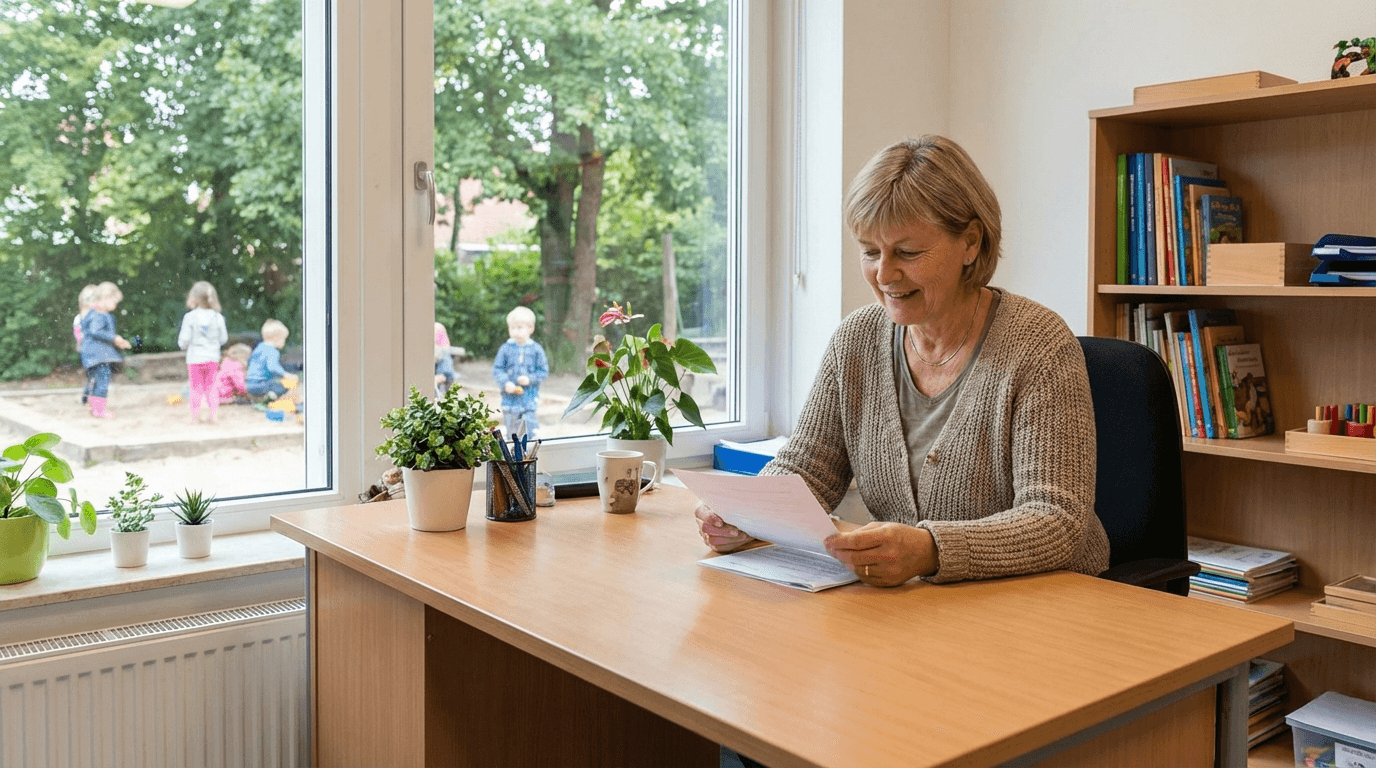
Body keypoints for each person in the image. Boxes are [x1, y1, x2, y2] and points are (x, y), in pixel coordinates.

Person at [696, 135, 1109, 590]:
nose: (884, 274)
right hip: (922, 610)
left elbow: (1057, 522)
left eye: (907, 253)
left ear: (970, 243)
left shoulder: (1038, 346)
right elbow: (808, 469)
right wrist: (744, 514)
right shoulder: (856, 340)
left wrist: (930, 550)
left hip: (1046, 607)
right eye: (870, 251)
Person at [491, 306, 548, 439]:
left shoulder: (536, 349)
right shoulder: (505, 349)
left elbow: (543, 371)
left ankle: (527, 456)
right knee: (512, 434)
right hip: (509, 401)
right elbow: (497, 369)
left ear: (531, 329)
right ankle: (513, 457)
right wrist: (506, 383)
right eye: (512, 327)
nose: (515, 331)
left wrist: (529, 379)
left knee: (529, 431)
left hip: (529, 400)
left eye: (519, 327)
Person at [178, 281, 229, 423]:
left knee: (195, 388)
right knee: (211, 387)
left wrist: (183, 345)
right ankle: (214, 416)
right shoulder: (218, 317)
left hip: (194, 359)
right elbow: (223, 339)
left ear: (194, 298)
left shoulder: (190, 317)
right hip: (212, 358)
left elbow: (184, 339)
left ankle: (195, 417)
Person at [79, 281, 132, 418]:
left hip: (94, 355)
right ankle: (99, 410)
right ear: (104, 299)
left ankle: (93, 405)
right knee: (102, 381)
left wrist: (115, 340)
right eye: (114, 301)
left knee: (96, 380)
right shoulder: (98, 315)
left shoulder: (93, 314)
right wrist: (114, 338)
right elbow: (96, 331)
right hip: (99, 356)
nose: (116, 305)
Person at [246, 319, 296, 400]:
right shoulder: (272, 350)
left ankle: (261, 397)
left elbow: (250, 364)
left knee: (273, 383)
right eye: (284, 339)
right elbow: (272, 367)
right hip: (262, 385)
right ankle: (270, 397)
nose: (284, 342)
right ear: (277, 338)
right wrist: (286, 374)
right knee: (284, 386)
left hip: (250, 385)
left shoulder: (259, 348)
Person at [73, 284, 97, 405]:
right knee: (94, 375)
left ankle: (88, 395)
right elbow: (79, 335)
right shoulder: (80, 318)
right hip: (88, 350)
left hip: (95, 350)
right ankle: (89, 396)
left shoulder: (97, 316)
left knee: (94, 375)